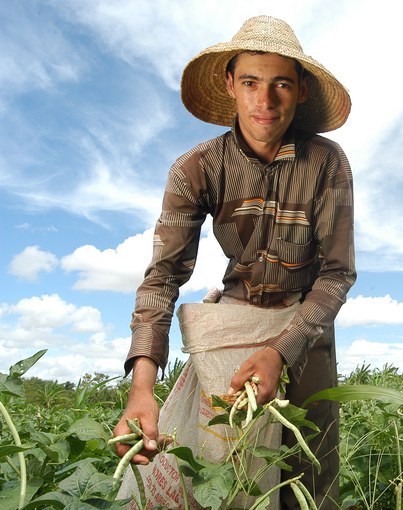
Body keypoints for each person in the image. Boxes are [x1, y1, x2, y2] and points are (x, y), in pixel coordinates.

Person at [112, 16, 355, 510]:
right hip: (235, 323)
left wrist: (281, 350)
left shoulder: (327, 162)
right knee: (230, 472)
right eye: (250, 83)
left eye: (281, 83)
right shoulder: (197, 168)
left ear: (301, 89)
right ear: (230, 85)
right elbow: (162, 278)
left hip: (306, 324)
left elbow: (336, 274)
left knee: (310, 476)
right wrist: (142, 386)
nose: (264, 102)